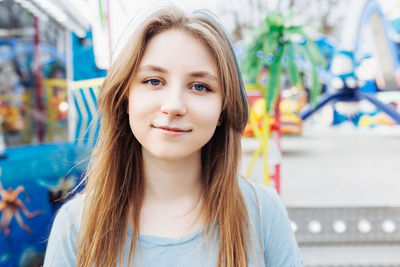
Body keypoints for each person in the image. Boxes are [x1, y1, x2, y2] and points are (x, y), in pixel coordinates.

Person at [44, 6, 303, 267]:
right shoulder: (77, 225)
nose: (174, 105)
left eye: (200, 87)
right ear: (125, 97)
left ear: (223, 109)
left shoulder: (262, 212)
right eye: (154, 81)